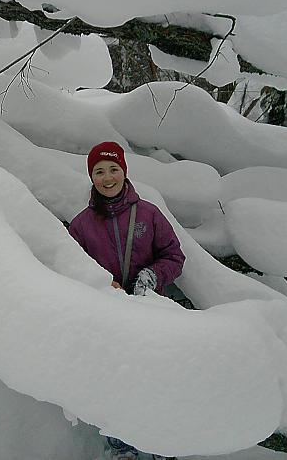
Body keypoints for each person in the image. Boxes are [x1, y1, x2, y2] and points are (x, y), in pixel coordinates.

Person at [68, 141, 185, 460]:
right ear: (92, 177)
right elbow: (70, 269)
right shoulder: (81, 225)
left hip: (151, 316)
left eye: (113, 169)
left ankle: (162, 444)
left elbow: (175, 256)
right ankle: (121, 446)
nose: (107, 178)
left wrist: (152, 276)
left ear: (124, 171)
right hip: (108, 318)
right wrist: (102, 287)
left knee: (156, 381)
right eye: (99, 172)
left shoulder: (149, 213)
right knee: (116, 382)